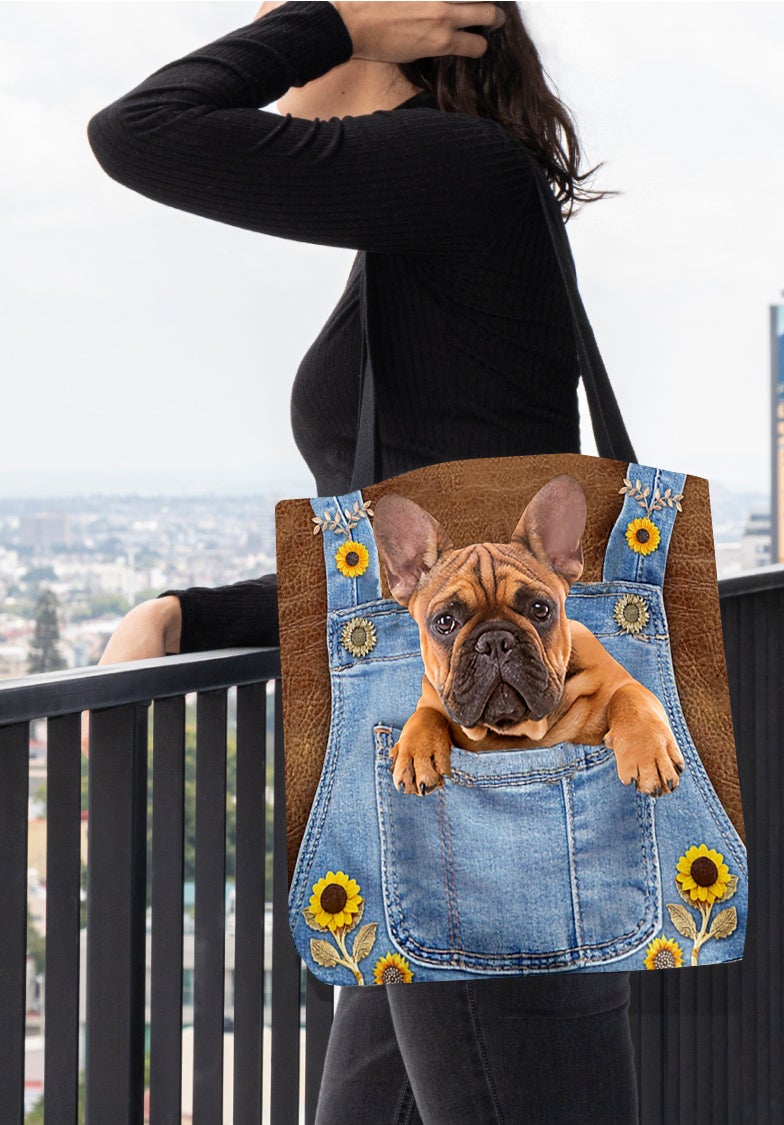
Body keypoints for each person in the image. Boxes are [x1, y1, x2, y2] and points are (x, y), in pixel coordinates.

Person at [88, 4, 639, 1121]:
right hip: (444, 790)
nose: (267, 28)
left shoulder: (458, 171)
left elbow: (139, 129)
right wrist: (192, 614)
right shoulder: (441, 204)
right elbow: (425, 570)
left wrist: (336, 25)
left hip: (482, 808)